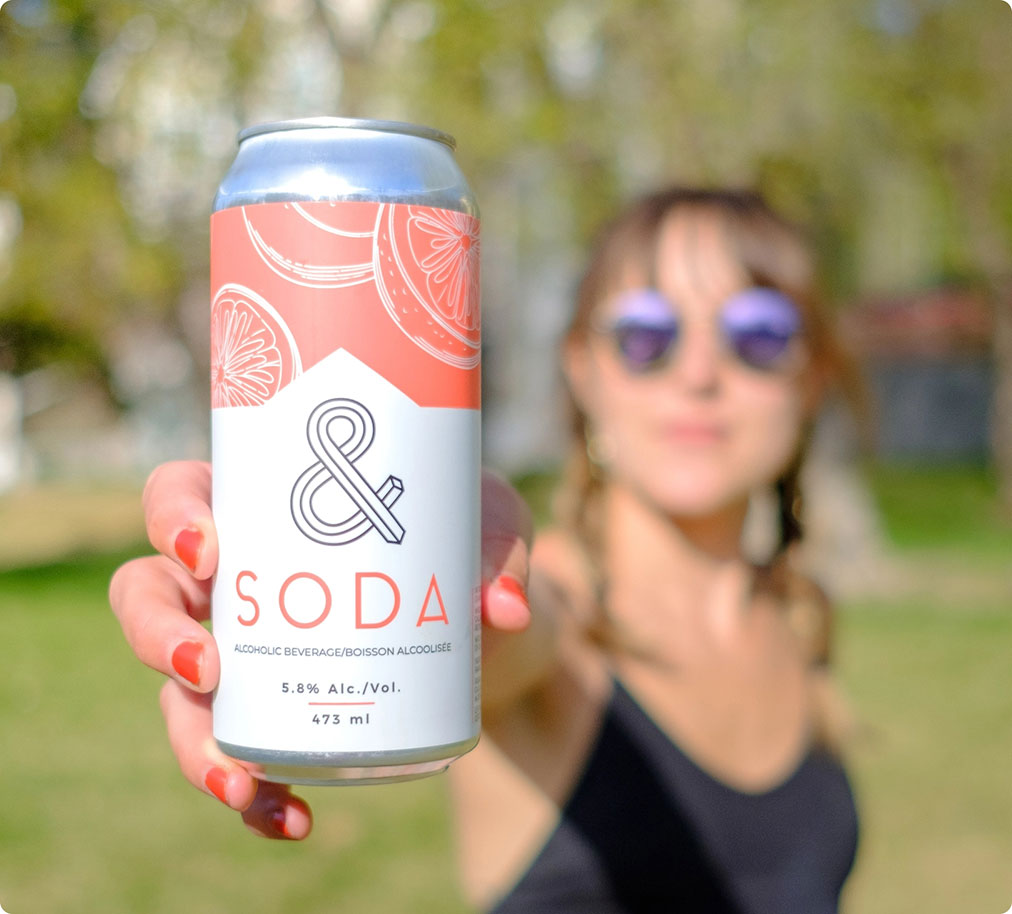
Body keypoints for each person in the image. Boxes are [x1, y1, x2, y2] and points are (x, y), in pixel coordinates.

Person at [109, 186, 859, 912]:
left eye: (758, 334)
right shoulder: (546, 611)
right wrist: (411, 561)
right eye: (646, 335)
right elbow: (495, 638)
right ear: (583, 370)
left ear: (813, 375)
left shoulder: (796, 612)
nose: (699, 374)